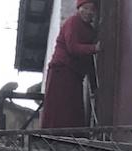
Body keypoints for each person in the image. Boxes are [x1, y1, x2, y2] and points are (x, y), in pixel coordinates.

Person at [40, 0, 99, 130]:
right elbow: (72, 47)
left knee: (73, 110)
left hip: (76, 76)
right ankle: (52, 136)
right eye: (85, 8)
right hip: (61, 71)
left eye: (91, 9)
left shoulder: (90, 31)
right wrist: (94, 48)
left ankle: (73, 137)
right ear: (79, 9)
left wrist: (94, 85)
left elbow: (89, 60)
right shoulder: (72, 22)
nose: (88, 12)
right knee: (58, 109)